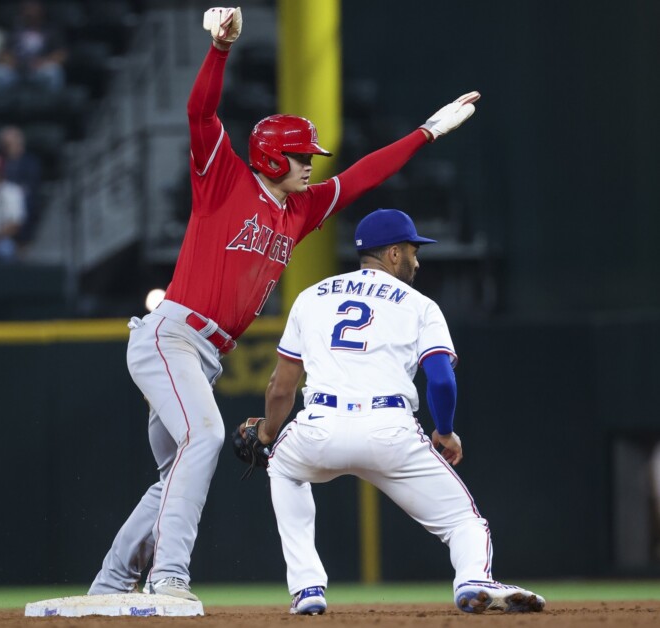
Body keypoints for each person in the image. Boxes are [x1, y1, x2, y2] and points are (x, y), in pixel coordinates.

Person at [88, 7, 480, 602]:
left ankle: (110, 583)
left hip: (204, 352)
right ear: (274, 158)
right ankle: (169, 578)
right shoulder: (223, 176)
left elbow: (363, 176)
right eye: (303, 157)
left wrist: (425, 133)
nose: (311, 166)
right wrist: (218, 50)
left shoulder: (296, 212)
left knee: (177, 472)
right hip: (171, 336)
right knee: (206, 439)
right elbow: (200, 113)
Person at [237, 209, 546, 616]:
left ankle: (307, 587)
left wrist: (266, 434)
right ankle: (473, 579)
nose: (417, 261)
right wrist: (446, 431)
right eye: (414, 251)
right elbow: (441, 381)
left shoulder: (310, 297)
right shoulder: (420, 306)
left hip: (319, 427)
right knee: (463, 523)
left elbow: (281, 386)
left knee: (284, 470)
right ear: (394, 254)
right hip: (389, 428)